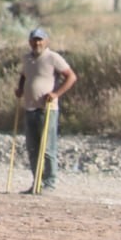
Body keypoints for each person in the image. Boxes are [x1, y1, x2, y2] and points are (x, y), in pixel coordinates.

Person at [14, 27, 77, 193]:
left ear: (46, 41)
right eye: (34, 39)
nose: (37, 43)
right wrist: (20, 89)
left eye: (40, 39)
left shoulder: (53, 57)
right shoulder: (27, 58)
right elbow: (24, 75)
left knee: (47, 148)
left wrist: (56, 94)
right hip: (29, 107)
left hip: (47, 109)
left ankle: (49, 183)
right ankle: (37, 183)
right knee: (32, 148)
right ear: (30, 41)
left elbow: (71, 77)